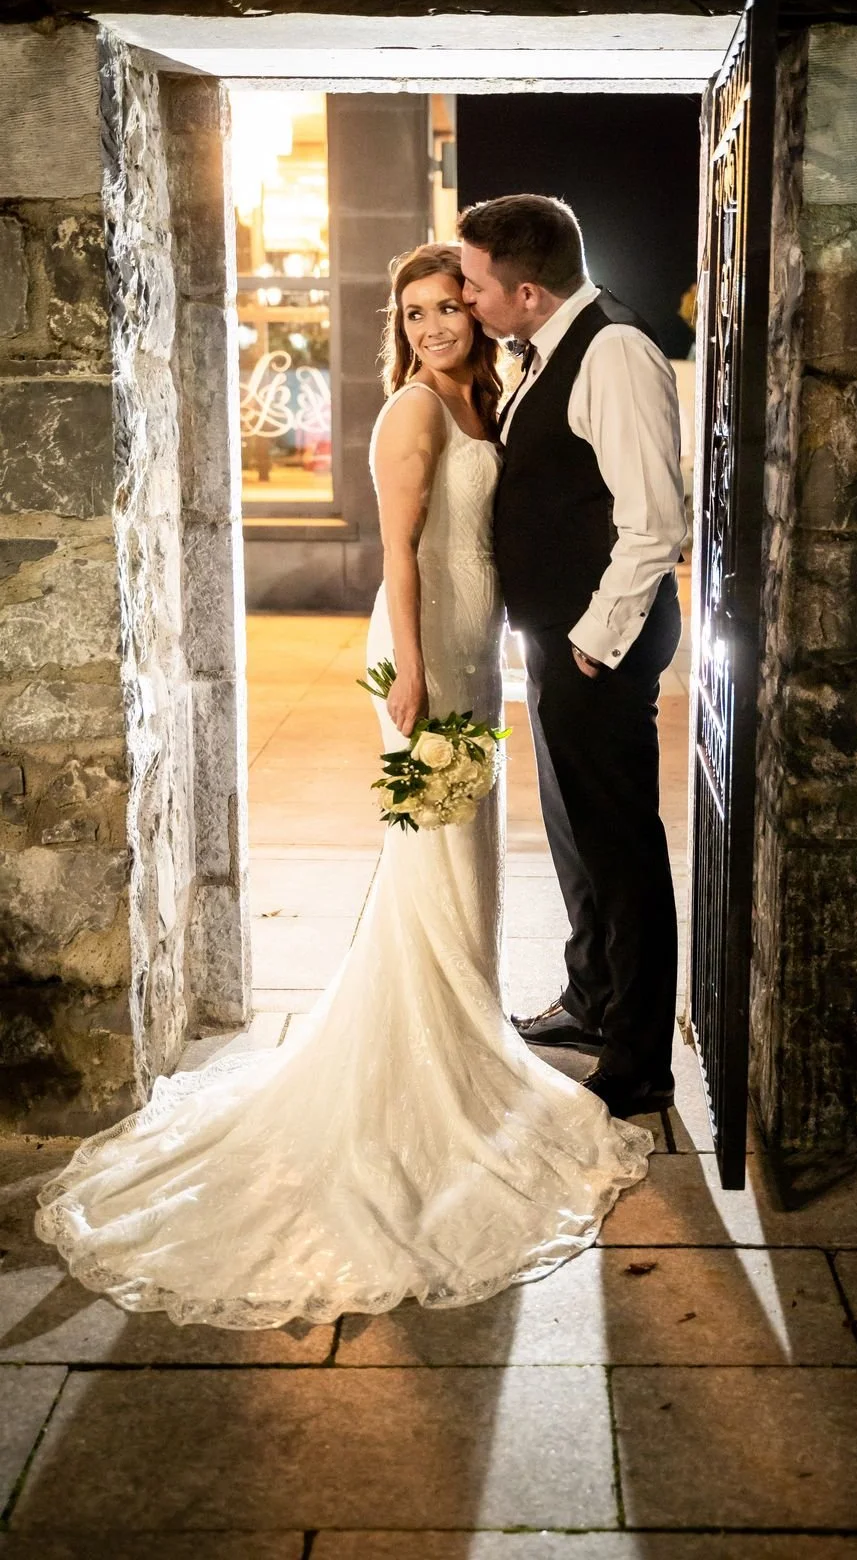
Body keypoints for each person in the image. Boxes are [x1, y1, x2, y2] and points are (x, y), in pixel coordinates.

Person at [34, 244, 653, 1329]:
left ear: (478, 310)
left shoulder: (489, 400)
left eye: (447, 306)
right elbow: (399, 554)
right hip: (426, 649)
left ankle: (463, 1039)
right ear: (398, 327)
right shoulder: (412, 411)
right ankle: (431, 1065)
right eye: (412, 313)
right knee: (432, 854)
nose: (433, 327)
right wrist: (411, 670)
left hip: (472, 647)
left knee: (466, 855)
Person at [458, 195, 687, 1121]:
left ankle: (638, 1058)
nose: (466, 300)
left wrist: (593, 641)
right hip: (562, 638)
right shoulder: (547, 348)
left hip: (602, 643)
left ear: (525, 290)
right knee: (575, 835)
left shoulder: (614, 350)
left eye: (473, 285)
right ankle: (590, 1000)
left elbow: (654, 522)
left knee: (621, 847)